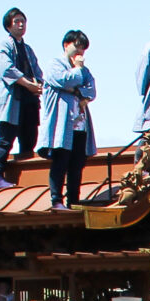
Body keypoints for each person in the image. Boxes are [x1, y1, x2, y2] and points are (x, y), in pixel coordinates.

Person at [41, 28, 97, 210]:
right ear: (67, 45)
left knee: (77, 164)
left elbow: (92, 90)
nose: (81, 52)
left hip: (80, 125)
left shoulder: (84, 71)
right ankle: (56, 199)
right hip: (62, 125)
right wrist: (78, 72)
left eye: (84, 49)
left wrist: (79, 91)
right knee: (61, 161)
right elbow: (64, 81)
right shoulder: (54, 64)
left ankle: (74, 200)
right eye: (78, 47)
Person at [0, 5, 44, 188]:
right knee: (6, 138)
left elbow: (37, 71)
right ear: (8, 26)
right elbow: (7, 69)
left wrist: (39, 84)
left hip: (29, 100)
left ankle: (27, 177)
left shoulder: (28, 49)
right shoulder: (2, 45)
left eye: (23, 21)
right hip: (11, 100)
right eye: (17, 22)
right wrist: (29, 84)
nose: (21, 25)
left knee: (30, 137)